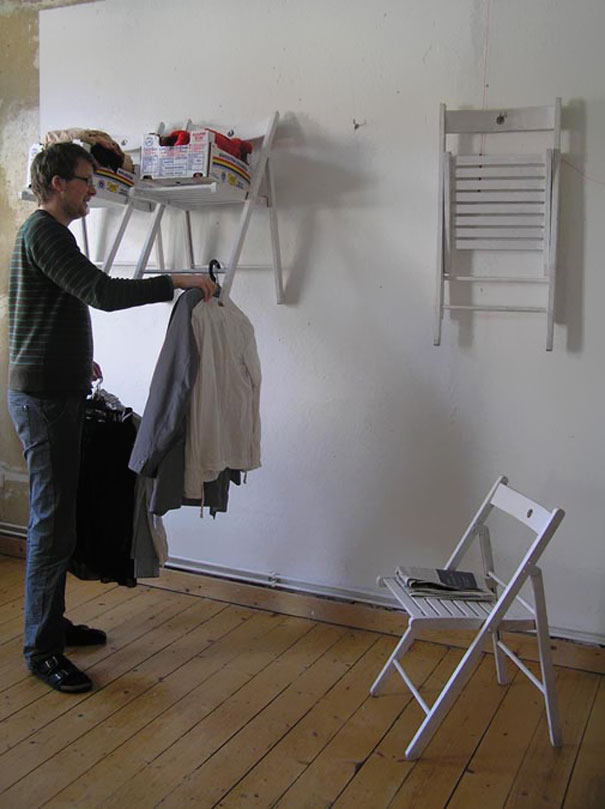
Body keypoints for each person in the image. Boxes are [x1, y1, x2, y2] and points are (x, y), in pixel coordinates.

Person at [7, 142, 215, 693]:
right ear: (55, 182)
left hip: (58, 391)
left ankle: (50, 623)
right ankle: (41, 649)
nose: (92, 190)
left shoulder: (50, 235)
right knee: (52, 525)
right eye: (84, 180)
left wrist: (79, 358)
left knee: (61, 519)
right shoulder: (43, 232)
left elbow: (45, 308)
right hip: (46, 402)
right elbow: (100, 292)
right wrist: (178, 280)